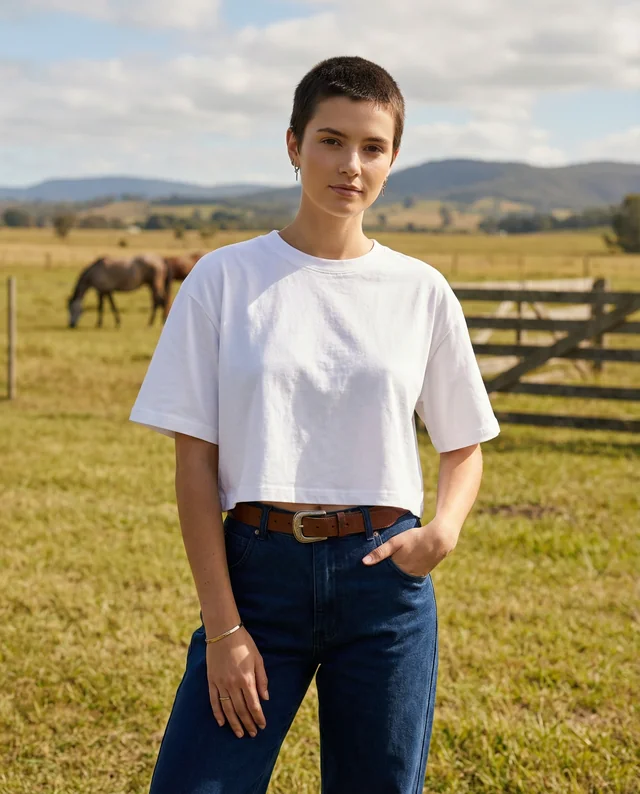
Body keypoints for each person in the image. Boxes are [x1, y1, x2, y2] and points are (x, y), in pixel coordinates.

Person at [129, 55, 500, 794]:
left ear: (393, 159)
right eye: (331, 141)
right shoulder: (223, 280)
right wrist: (227, 628)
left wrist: (444, 532)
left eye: (372, 147)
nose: (350, 165)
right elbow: (194, 465)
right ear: (294, 144)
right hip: (257, 579)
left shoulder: (421, 291)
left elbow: (463, 446)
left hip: (383, 583)